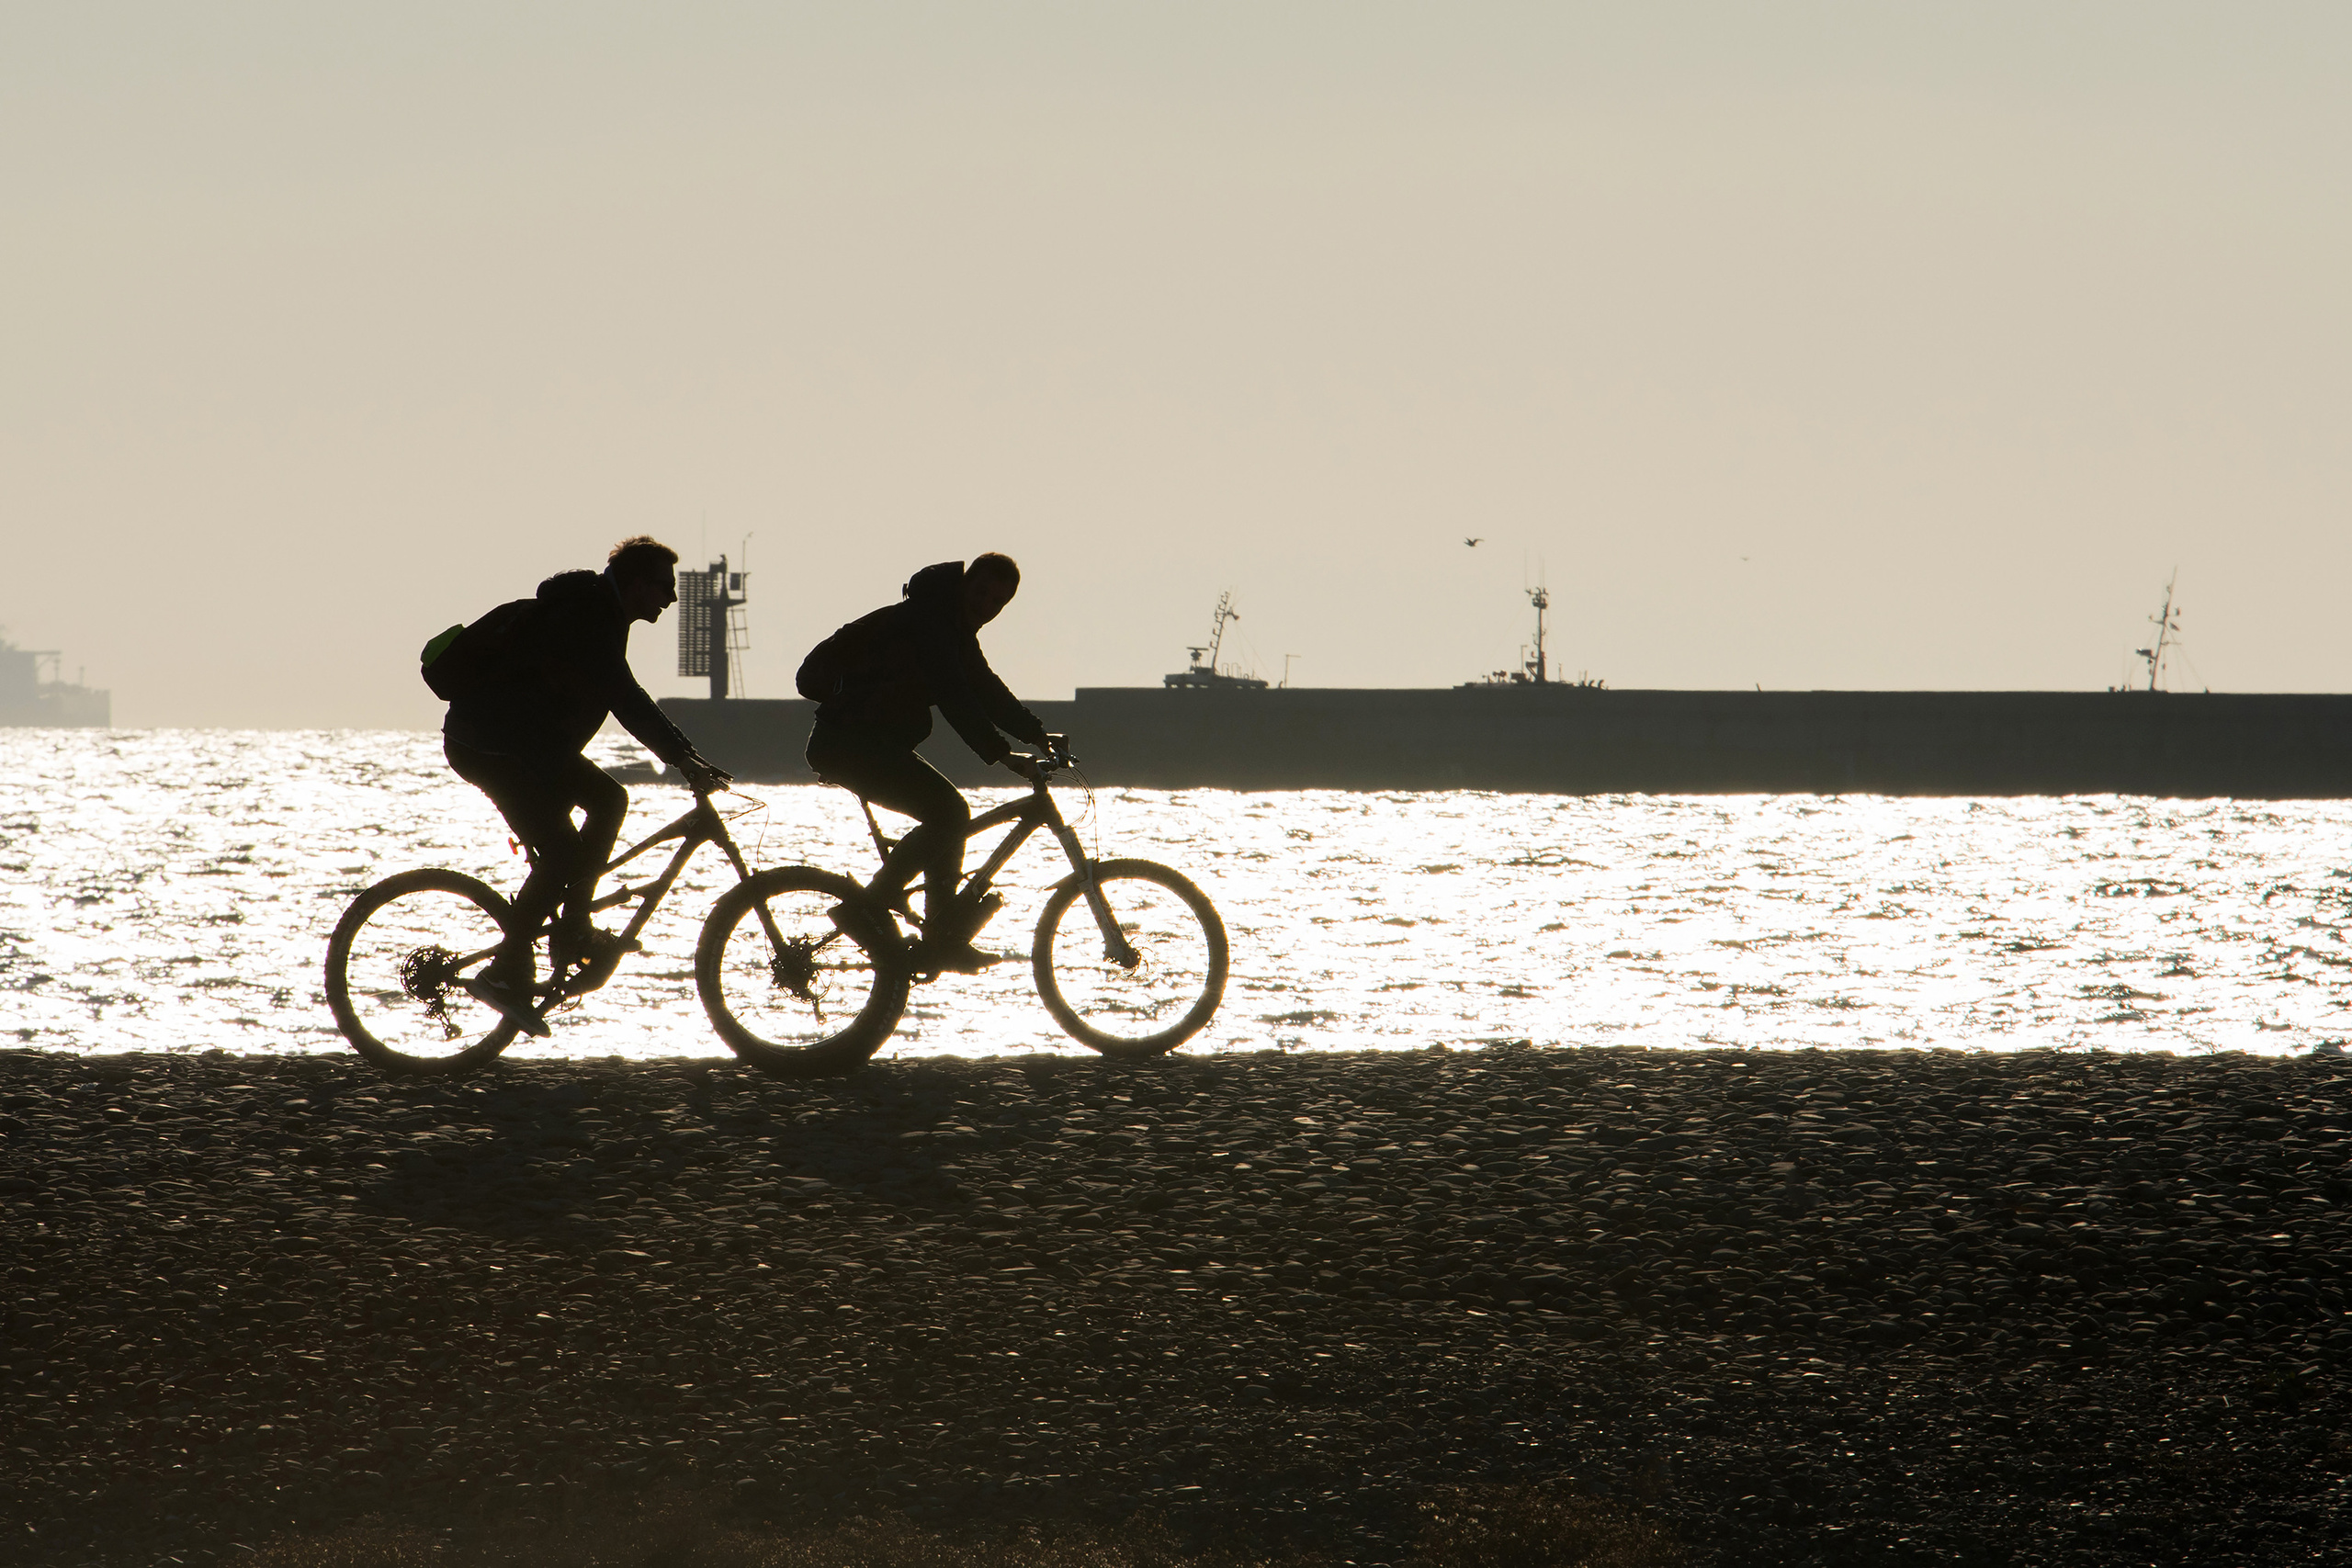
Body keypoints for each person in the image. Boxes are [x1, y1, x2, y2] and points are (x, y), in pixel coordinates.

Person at [443, 536, 731, 1031]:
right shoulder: (589, 617)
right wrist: (684, 757)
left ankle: (572, 927)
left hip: (527, 747)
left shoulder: (599, 614)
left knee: (607, 801)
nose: (673, 599)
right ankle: (506, 972)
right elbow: (625, 697)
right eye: (665, 586)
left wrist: (684, 755)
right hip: (492, 747)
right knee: (564, 851)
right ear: (637, 583)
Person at [797, 553, 1052, 971]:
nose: (985, 606)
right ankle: (871, 909)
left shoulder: (953, 630)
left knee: (950, 814)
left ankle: (940, 936)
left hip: (873, 743)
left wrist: (1037, 733)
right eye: (981, 592)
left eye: (996, 603)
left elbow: (984, 687)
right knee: (950, 813)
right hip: (846, 743)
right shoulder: (929, 624)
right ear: (965, 584)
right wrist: (1004, 755)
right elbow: (956, 697)